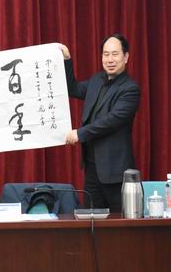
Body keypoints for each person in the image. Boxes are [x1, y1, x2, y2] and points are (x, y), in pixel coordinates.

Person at [60, 34, 140, 212]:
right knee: (92, 221)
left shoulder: (130, 89)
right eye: (106, 54)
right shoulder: (96, 80)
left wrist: (79, 133)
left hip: (116, 172)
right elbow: (72, 88)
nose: (110, 59)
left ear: (126, 57)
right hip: (92, 169)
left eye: (115, 54)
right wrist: (66, 60)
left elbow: (110, 121)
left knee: (120, 222)